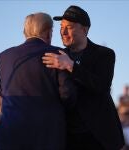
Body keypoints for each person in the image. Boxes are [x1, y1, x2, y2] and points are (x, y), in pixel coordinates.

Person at [42, 5, 125, 150]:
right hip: (69, 138)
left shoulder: (105, 54)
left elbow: (101, 86)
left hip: (100, 137)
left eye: (70, 27)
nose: (63, 32)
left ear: (85, 30)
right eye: (61, 27)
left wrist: (71, 66)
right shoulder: (57, 55)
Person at [0, 12, 75, 150]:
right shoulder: (59, 55)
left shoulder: (3, 57)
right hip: (47, 137)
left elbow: (2, 91)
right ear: (48, 33)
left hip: (9, 137)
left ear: (25, 32)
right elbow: (68, 94)